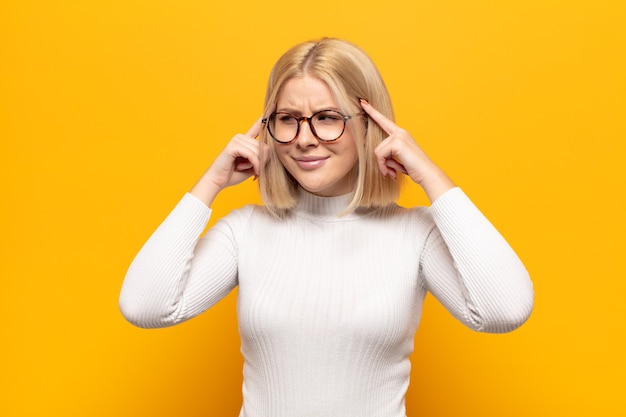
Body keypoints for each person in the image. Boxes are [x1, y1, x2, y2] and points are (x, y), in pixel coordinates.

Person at [119, 38, 534, 417]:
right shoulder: (244, 231)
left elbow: (504, 310)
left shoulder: (415, 233)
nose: (305, 138)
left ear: (369, 125)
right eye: (288, 119)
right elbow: (145, 307)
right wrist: (208, 185)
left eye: (327, 117)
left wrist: (432, 178)